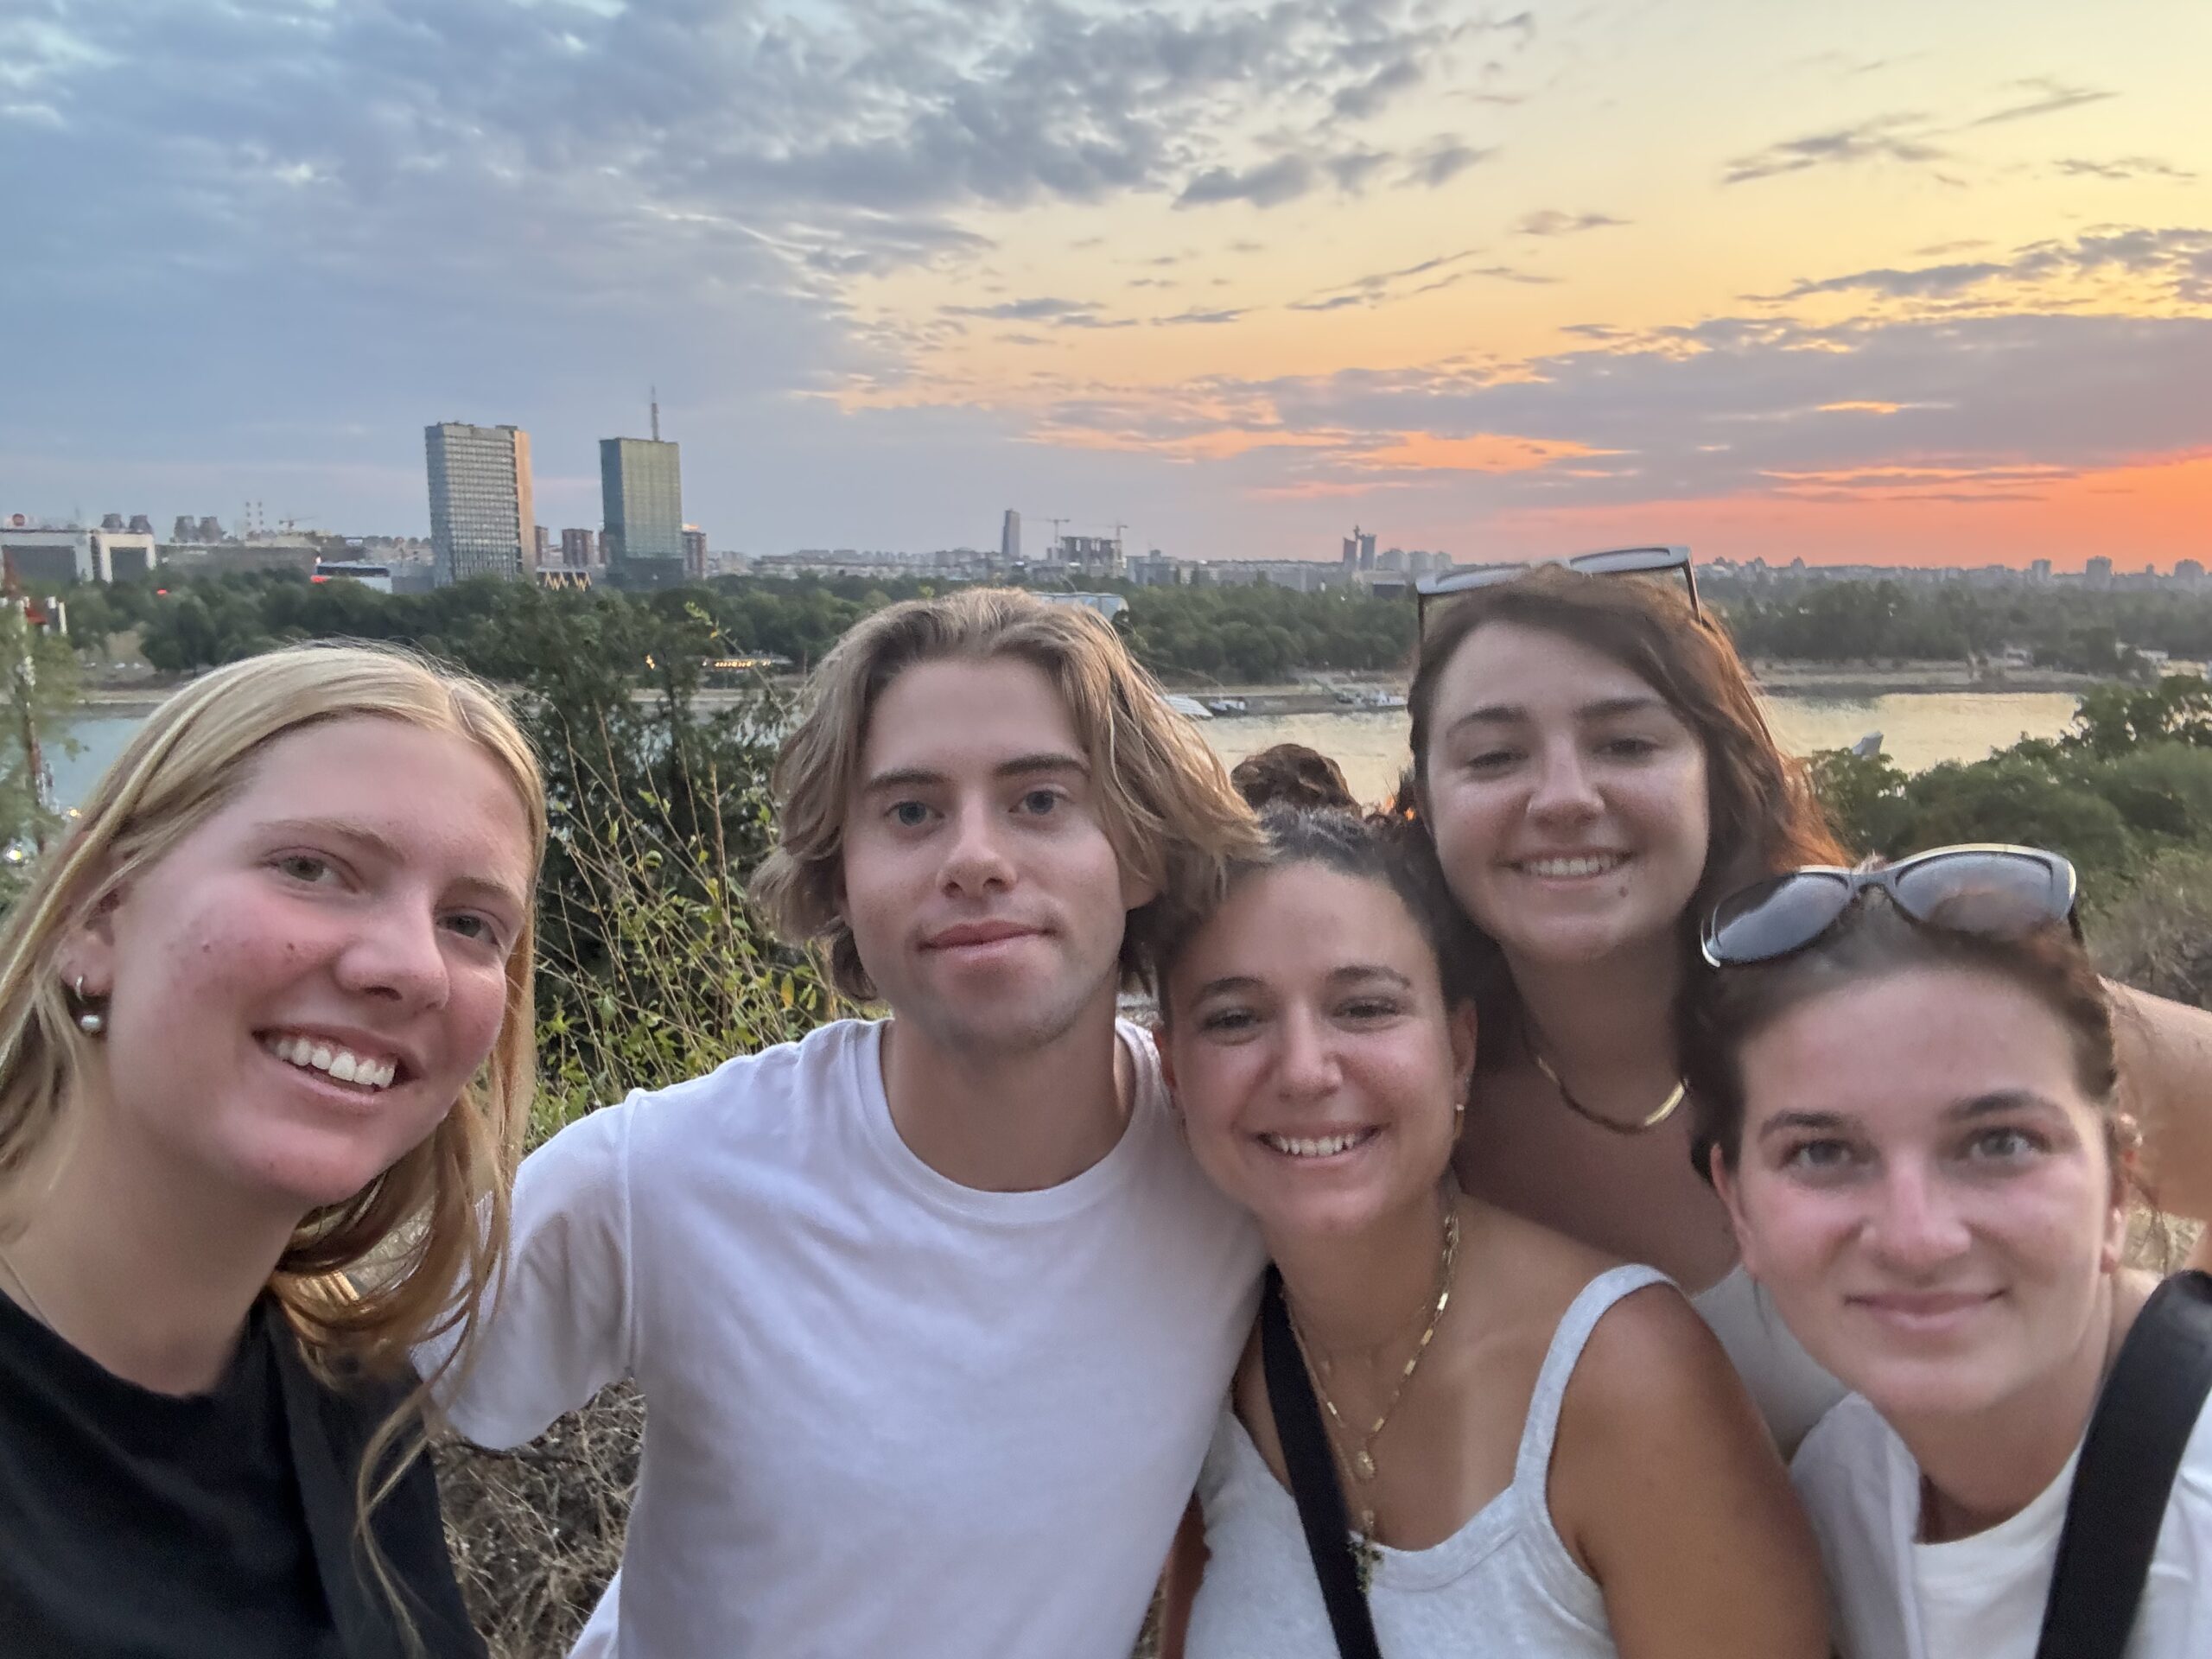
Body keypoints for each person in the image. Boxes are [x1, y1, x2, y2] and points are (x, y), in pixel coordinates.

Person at [429, 588, 1268, 1658]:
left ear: (1140, 852)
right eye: (911, 812)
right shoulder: (667, 1176)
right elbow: (338, 1417)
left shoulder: (1230, 1171)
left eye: (1040, 800)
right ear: (839, 880)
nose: (975, 857)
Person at [1397, 567, 2212, 1449]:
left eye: (1625, 745)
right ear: (1425, 806)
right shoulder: (1400, 1101)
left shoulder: (1904, 991)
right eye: (1494, 757)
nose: (1563, 797)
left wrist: (2169, 1403)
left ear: (1718, 779)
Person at [1154, 760, 1829, 1658]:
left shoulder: (1623, 1380)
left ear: (1459, 1050)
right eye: (1235, 1019)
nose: (1306, 1070)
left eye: (1364, 1007)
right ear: (1172, 1070)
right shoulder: (1206, 1368)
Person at [0, 643, 546, 1657]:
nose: (411, 966)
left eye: (470, 923)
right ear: (96, 915)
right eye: (311, 869)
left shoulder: (351, 1403)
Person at [1686, 845, 2212, 1657]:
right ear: (1739, 1207)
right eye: (1823, 1152)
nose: (1917, 1239)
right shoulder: (1837, 1495)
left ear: (2115, 1186)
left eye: (2000, 1142)